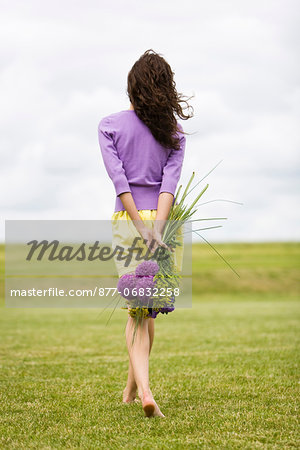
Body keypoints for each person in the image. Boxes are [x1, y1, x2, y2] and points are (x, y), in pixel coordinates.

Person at [98, 49, 193, 418]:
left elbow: (119, 179)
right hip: (166, 224)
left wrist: (140, 224)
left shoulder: (109, 125)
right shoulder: (174, 133)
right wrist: (160, 227)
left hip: (129, 221)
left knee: (139, 312)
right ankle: (132, 387)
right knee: (145, 310)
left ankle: (144, 391)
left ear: (132, 87)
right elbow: (169, 183)